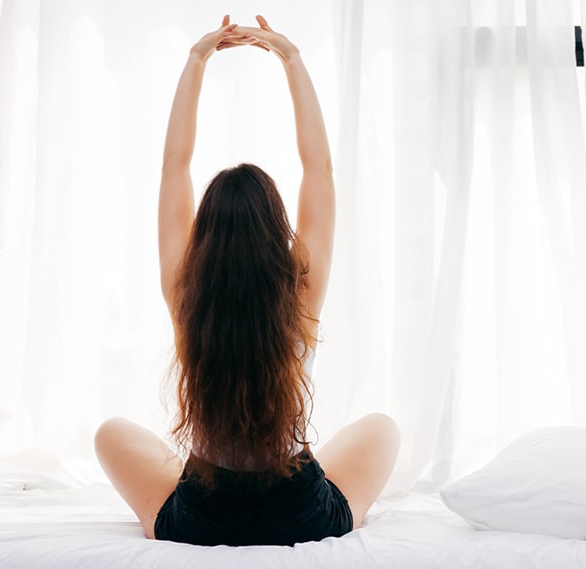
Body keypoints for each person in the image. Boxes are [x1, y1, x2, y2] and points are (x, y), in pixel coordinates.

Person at [94, 15, 399, 546]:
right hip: (299, 511)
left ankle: (176, 510)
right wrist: (292, 60)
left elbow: (174, 168)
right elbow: (319, 170)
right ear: (277, 231)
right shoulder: (300, 290)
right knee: (383, 429)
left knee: (109, 435)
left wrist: (196, 61)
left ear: (205, 235)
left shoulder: (185, 292)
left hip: (201, 516)